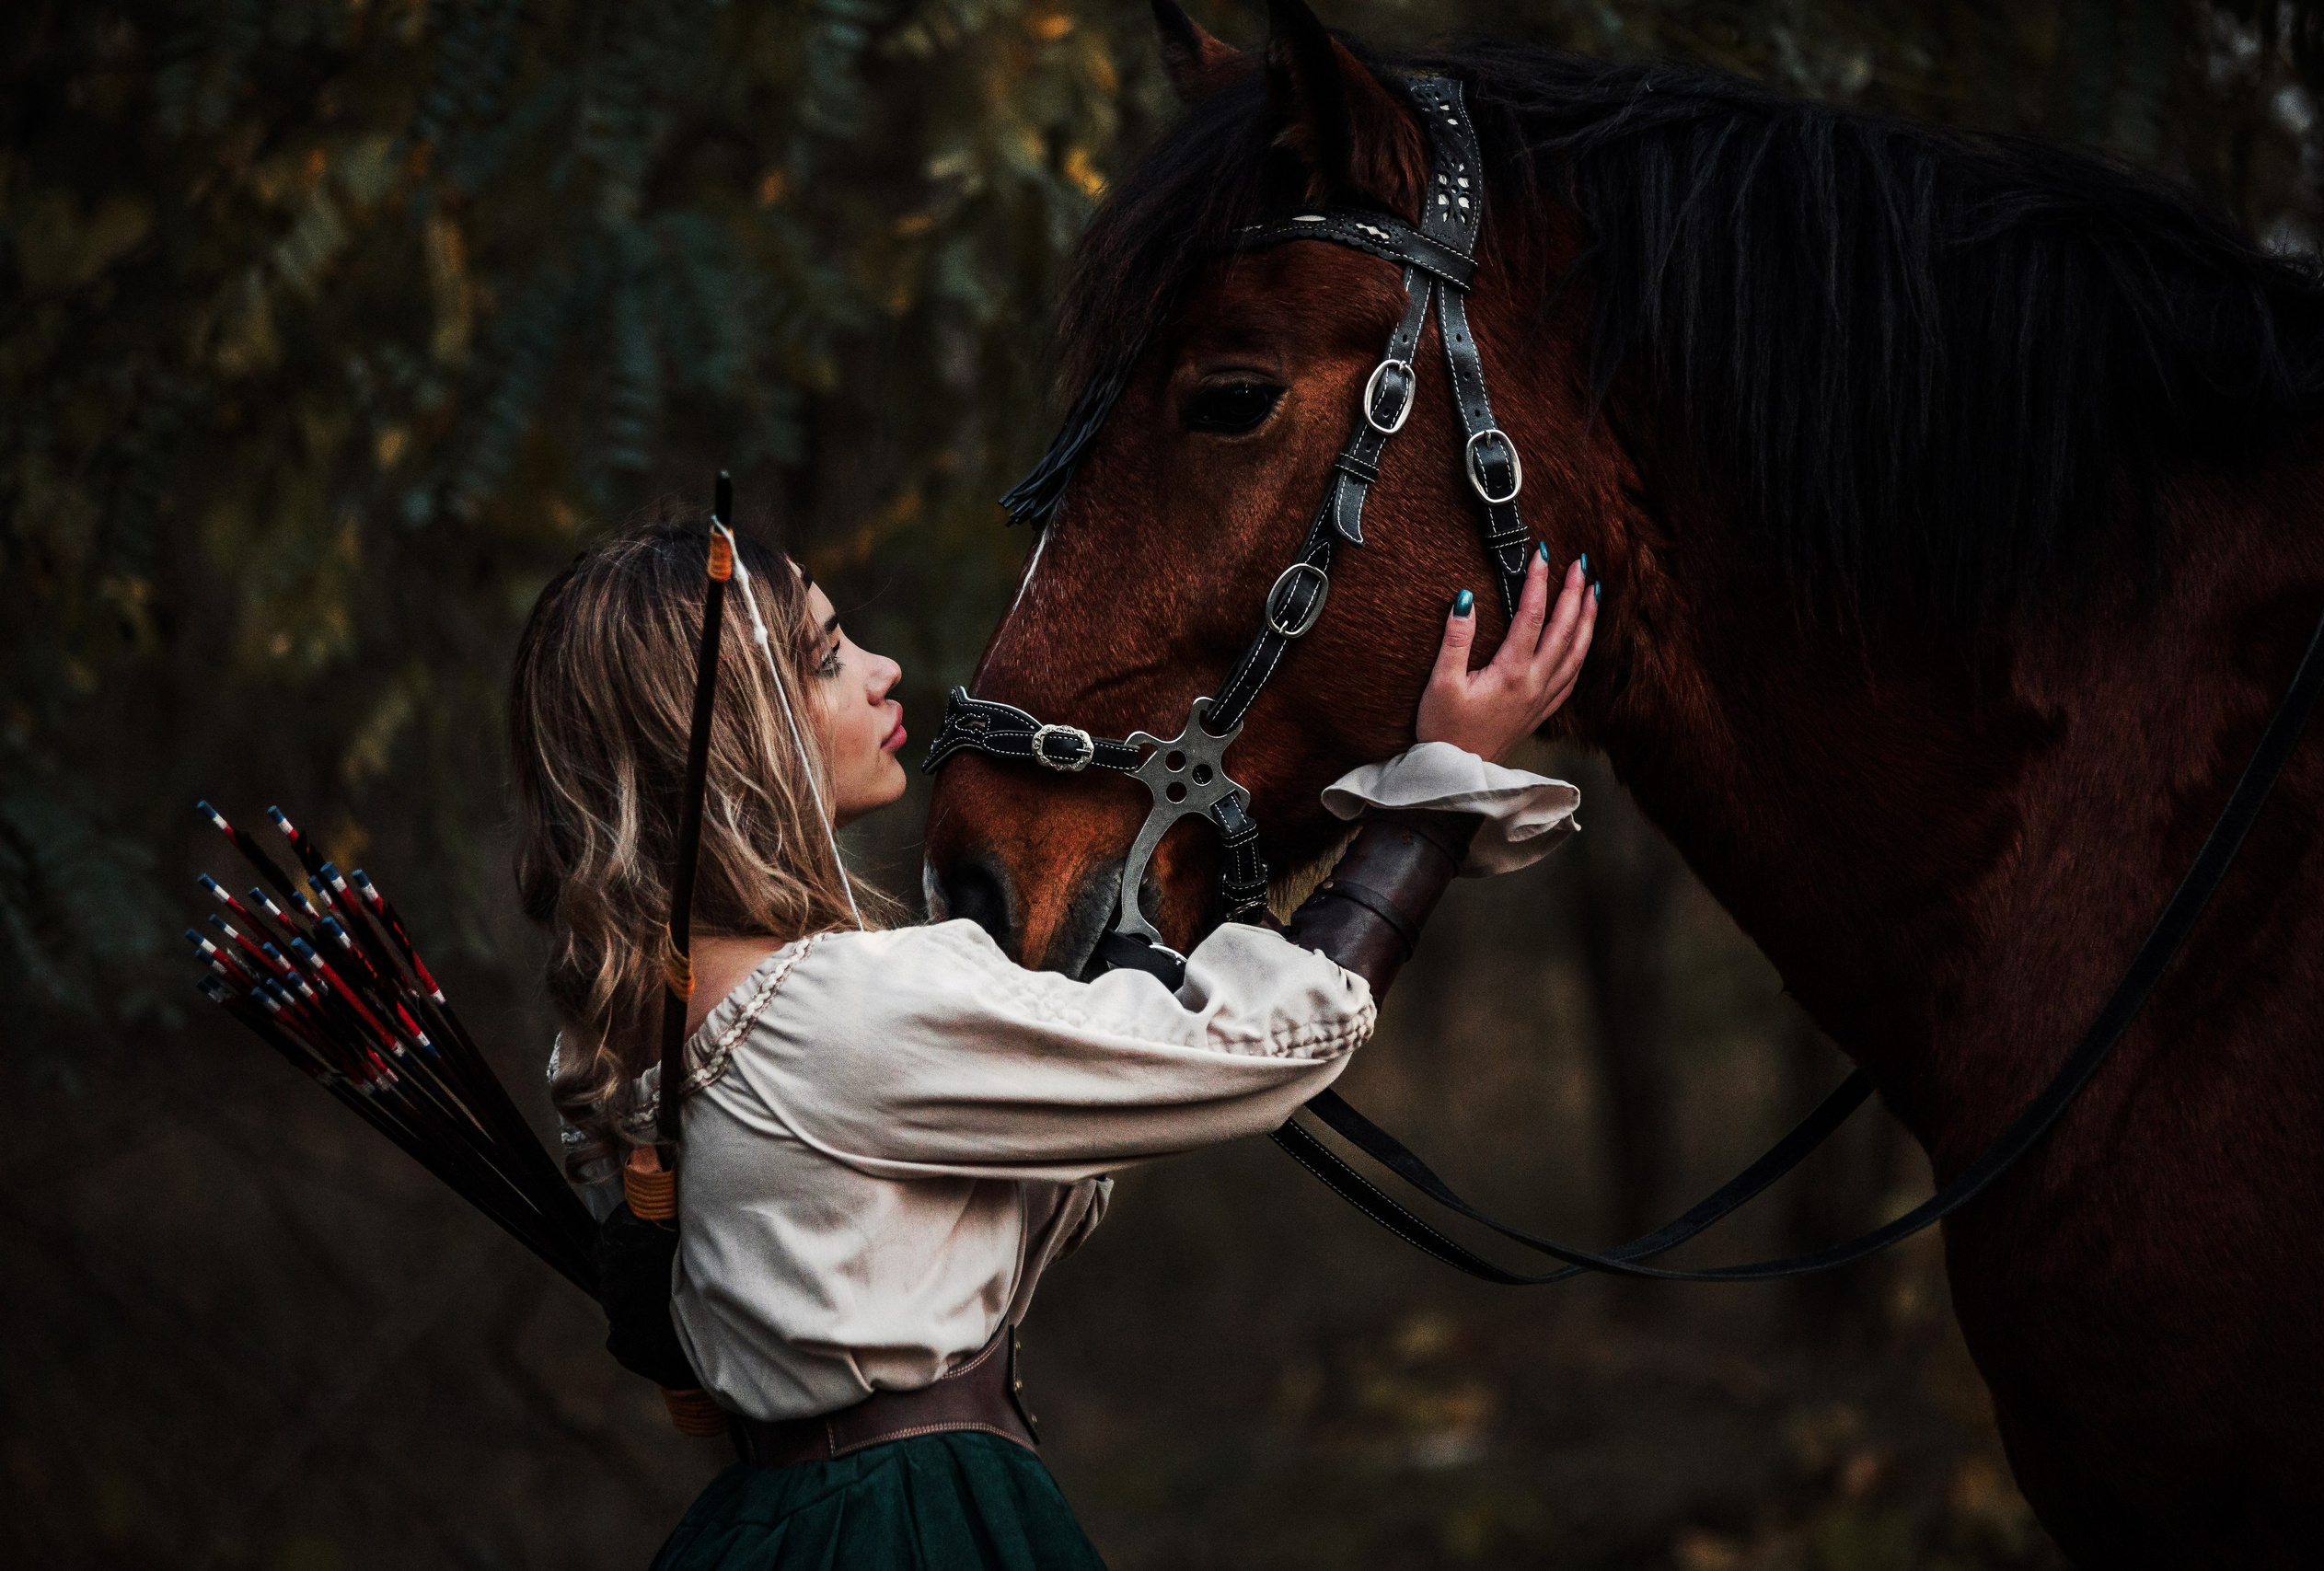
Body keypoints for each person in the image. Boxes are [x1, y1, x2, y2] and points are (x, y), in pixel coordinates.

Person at [510, 503, 1598, 1570]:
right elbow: (1268, 1042)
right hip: (911, 1521)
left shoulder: (613, 1047)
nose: (883, 670)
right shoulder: (840, 1012)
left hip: (766, 1526)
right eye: (828, 657)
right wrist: (1436, 797)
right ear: (739, 733)